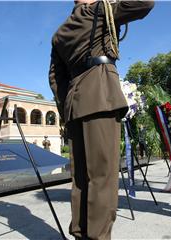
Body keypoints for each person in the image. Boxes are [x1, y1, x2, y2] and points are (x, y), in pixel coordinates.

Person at [49, 0, 154, 238]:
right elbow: (145, 3)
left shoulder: (60, 32)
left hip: (75, 103)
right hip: (101, 96)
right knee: (103, 177)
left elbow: (55, 78)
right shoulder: (99, 9)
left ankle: (80, 232)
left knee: (80, 178)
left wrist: (69, 105)